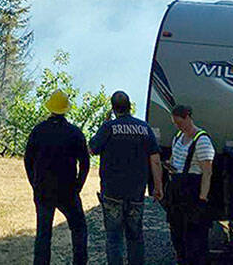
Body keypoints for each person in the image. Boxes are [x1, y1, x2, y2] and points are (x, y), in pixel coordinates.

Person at [89, 90, 163, 265]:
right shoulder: (144, 128)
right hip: (136, 192)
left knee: (114, 238)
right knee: (135, 237)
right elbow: (155, 160)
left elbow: (91, 149)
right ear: (130, 106)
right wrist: (157, 187)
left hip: (112, 192)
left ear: (113, 109)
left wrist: (104, 125)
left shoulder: (108, 127)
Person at [24, 89, 90, 265]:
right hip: (68, 190)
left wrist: (34, 183)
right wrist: (78, 187)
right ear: (66, 109)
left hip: (43, 190)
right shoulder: (75, 133)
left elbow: (28, 160)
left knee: (43, 234)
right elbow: (85, 163)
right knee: (79, 229)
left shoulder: (38, 131)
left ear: (50, 108)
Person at [166, 104, 215, 265]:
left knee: (195, 242)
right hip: (177, 192)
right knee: (177, 237)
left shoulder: (202, 141)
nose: (177, 126)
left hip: (193, 194)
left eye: (179, 122)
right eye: (175, 123)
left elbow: (207, 173)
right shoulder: (178, 137)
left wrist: (202, 200)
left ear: (188, 117)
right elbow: (175, 160)